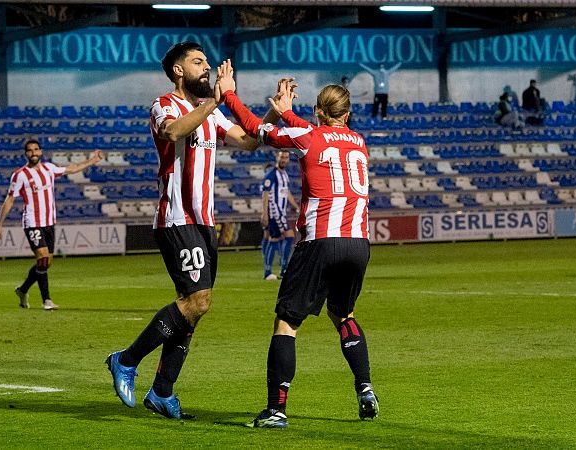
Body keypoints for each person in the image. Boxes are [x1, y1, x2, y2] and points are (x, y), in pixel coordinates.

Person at [105, 42, 269, 420]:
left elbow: (246, 142)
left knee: (193, 310)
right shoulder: (164, 104)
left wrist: (270, 115)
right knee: (197, 302)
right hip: (177, 217)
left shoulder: (210, 115)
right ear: (179, 71)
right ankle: (126, 360)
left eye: (208, 63)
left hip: (204, 222)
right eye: (198, 62)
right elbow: (174, 131)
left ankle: (162, 392)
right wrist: (214, 101)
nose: (206, 67)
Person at [221, 74, 379, 428]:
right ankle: (364, 387)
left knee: (287, 322)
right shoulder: (359, 142)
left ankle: (276, 410)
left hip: (320, 241)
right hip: (358, 243)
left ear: (317, 110)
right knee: (343, 314)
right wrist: (291, 113)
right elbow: (317, 133)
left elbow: (254, 130)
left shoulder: (309, 136)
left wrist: (230, 95)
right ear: (348, 114)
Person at [0, 140, 104, 310]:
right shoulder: (20, 175)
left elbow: (72, 169)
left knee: (46, 263)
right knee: (43, 258)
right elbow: (10, 199)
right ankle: (47, 301)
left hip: (49, 222)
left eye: (36, 149)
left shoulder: (49, 169)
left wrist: (92, 160)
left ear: (41, 151)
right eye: (30, 151)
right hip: (32, 222)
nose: (33, 153)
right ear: (26, 154)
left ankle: (23, 290)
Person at [260, 149, 298, 281]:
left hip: (281, 212)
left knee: (276, 239)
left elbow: (286, 193)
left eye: (286, 157)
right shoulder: (272, 174)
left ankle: (275, 270)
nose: (284, 160)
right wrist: (264, 213)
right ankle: (279, 269)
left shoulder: (284, 174)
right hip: (275, 211)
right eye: (282, 157)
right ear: (277, 157)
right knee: (288, 236)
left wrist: (296, 207)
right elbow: (265, 193)